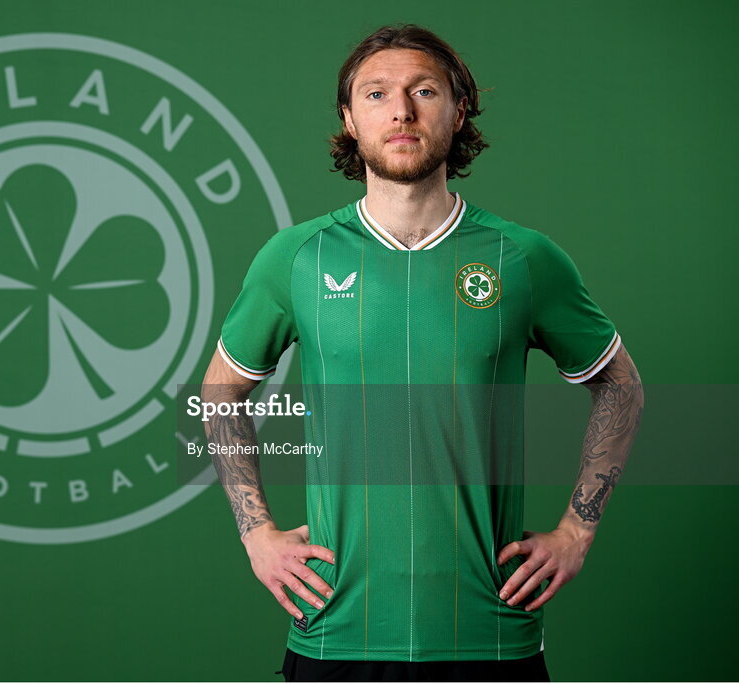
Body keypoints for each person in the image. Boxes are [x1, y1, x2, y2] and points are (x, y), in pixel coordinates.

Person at [199, 24, 643, 682]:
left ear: (459, 110)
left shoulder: (523, 259)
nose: (401, 109)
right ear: (349, 120)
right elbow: (220, 390)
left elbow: (620, 386)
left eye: (424, 90)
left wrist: (577, 530)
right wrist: (255, 533)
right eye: (377, 94)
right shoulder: (294, 259)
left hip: (488, 633)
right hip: (336, 631)